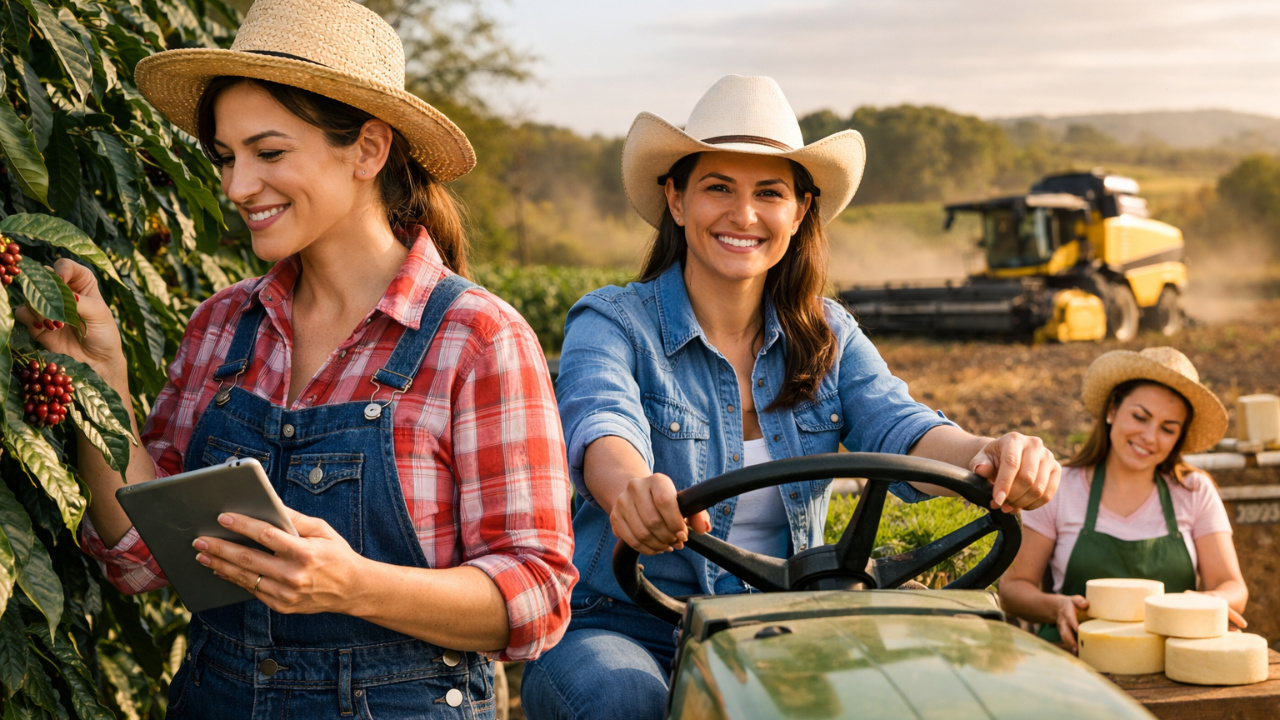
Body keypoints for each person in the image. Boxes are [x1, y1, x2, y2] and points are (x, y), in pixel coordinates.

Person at [17, 0, 576, 716]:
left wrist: (352, 584)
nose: (236, 186)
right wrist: (98, 377)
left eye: (269, 152)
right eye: (226, 157)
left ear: (369, 150)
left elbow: (535, 597)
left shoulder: (477, 338)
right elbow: (136, 557)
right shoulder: (223, 326)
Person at [520, 75, 1060, 720]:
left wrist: (988, 451)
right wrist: (633, 489)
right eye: (718, 186)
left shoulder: (827, 333)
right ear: (677, 199)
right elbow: (602, 421)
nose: (743, 215)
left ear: (800, 211)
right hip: (624, 625)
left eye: (769, 193)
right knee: (625, 699)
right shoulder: (612, 322)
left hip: (779, 625)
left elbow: (898, 423)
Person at [999, 347, 1247, 651]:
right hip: (1075, 659)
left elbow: (1233, 587)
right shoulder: (1061, 488)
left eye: (1168, 429)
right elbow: (1013, 589)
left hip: (1172, 663)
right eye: (1140, 417)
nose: (1149, 436)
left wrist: (1211, 601)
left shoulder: (1195, 492)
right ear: (1112, 410)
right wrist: (1056, 606)